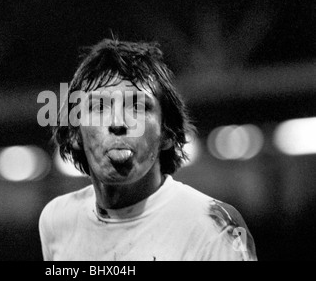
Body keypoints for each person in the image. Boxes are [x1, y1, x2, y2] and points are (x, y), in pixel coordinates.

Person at [38, 38, 257, 261]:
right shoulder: (57, 220)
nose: (117, 122)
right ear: (75, 134)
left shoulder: (213, 227)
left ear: (167, 134)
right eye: (99, 107)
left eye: (138, 106)